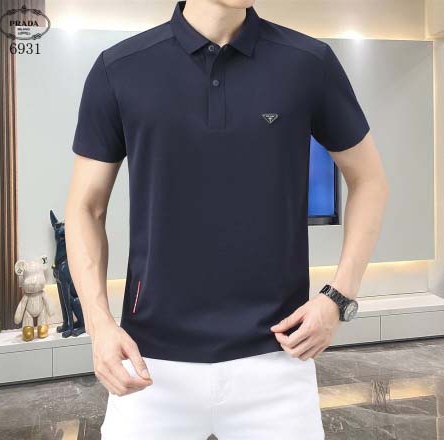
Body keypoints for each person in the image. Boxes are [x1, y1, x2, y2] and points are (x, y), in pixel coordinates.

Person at [65, 0, 389, 438]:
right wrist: (99, 323)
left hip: (277, 361)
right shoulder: (120, 68)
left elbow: (369, 180)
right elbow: (86, 207)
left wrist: (338, 297)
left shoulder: (309, 63)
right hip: (149, 364)